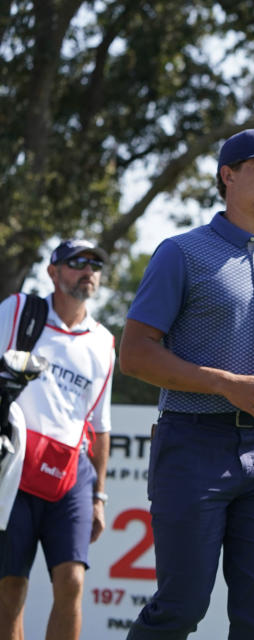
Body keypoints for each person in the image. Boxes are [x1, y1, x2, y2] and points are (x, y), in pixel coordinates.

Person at [119, 127, 254, 639]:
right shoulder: (181, 253)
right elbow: (135, 354)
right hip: (192, 445)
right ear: (228, 176)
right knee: (181, 607)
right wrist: (224, 383)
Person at [0, 239, 115, 640]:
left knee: (72, 583)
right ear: (53, 271)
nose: (88, 271)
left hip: (71, 473)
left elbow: (100, 426)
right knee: (9, 589)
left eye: (95, 265)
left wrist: (99, 496)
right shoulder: (18, 310)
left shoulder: (103, 342)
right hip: (12, 468)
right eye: (77, 262)